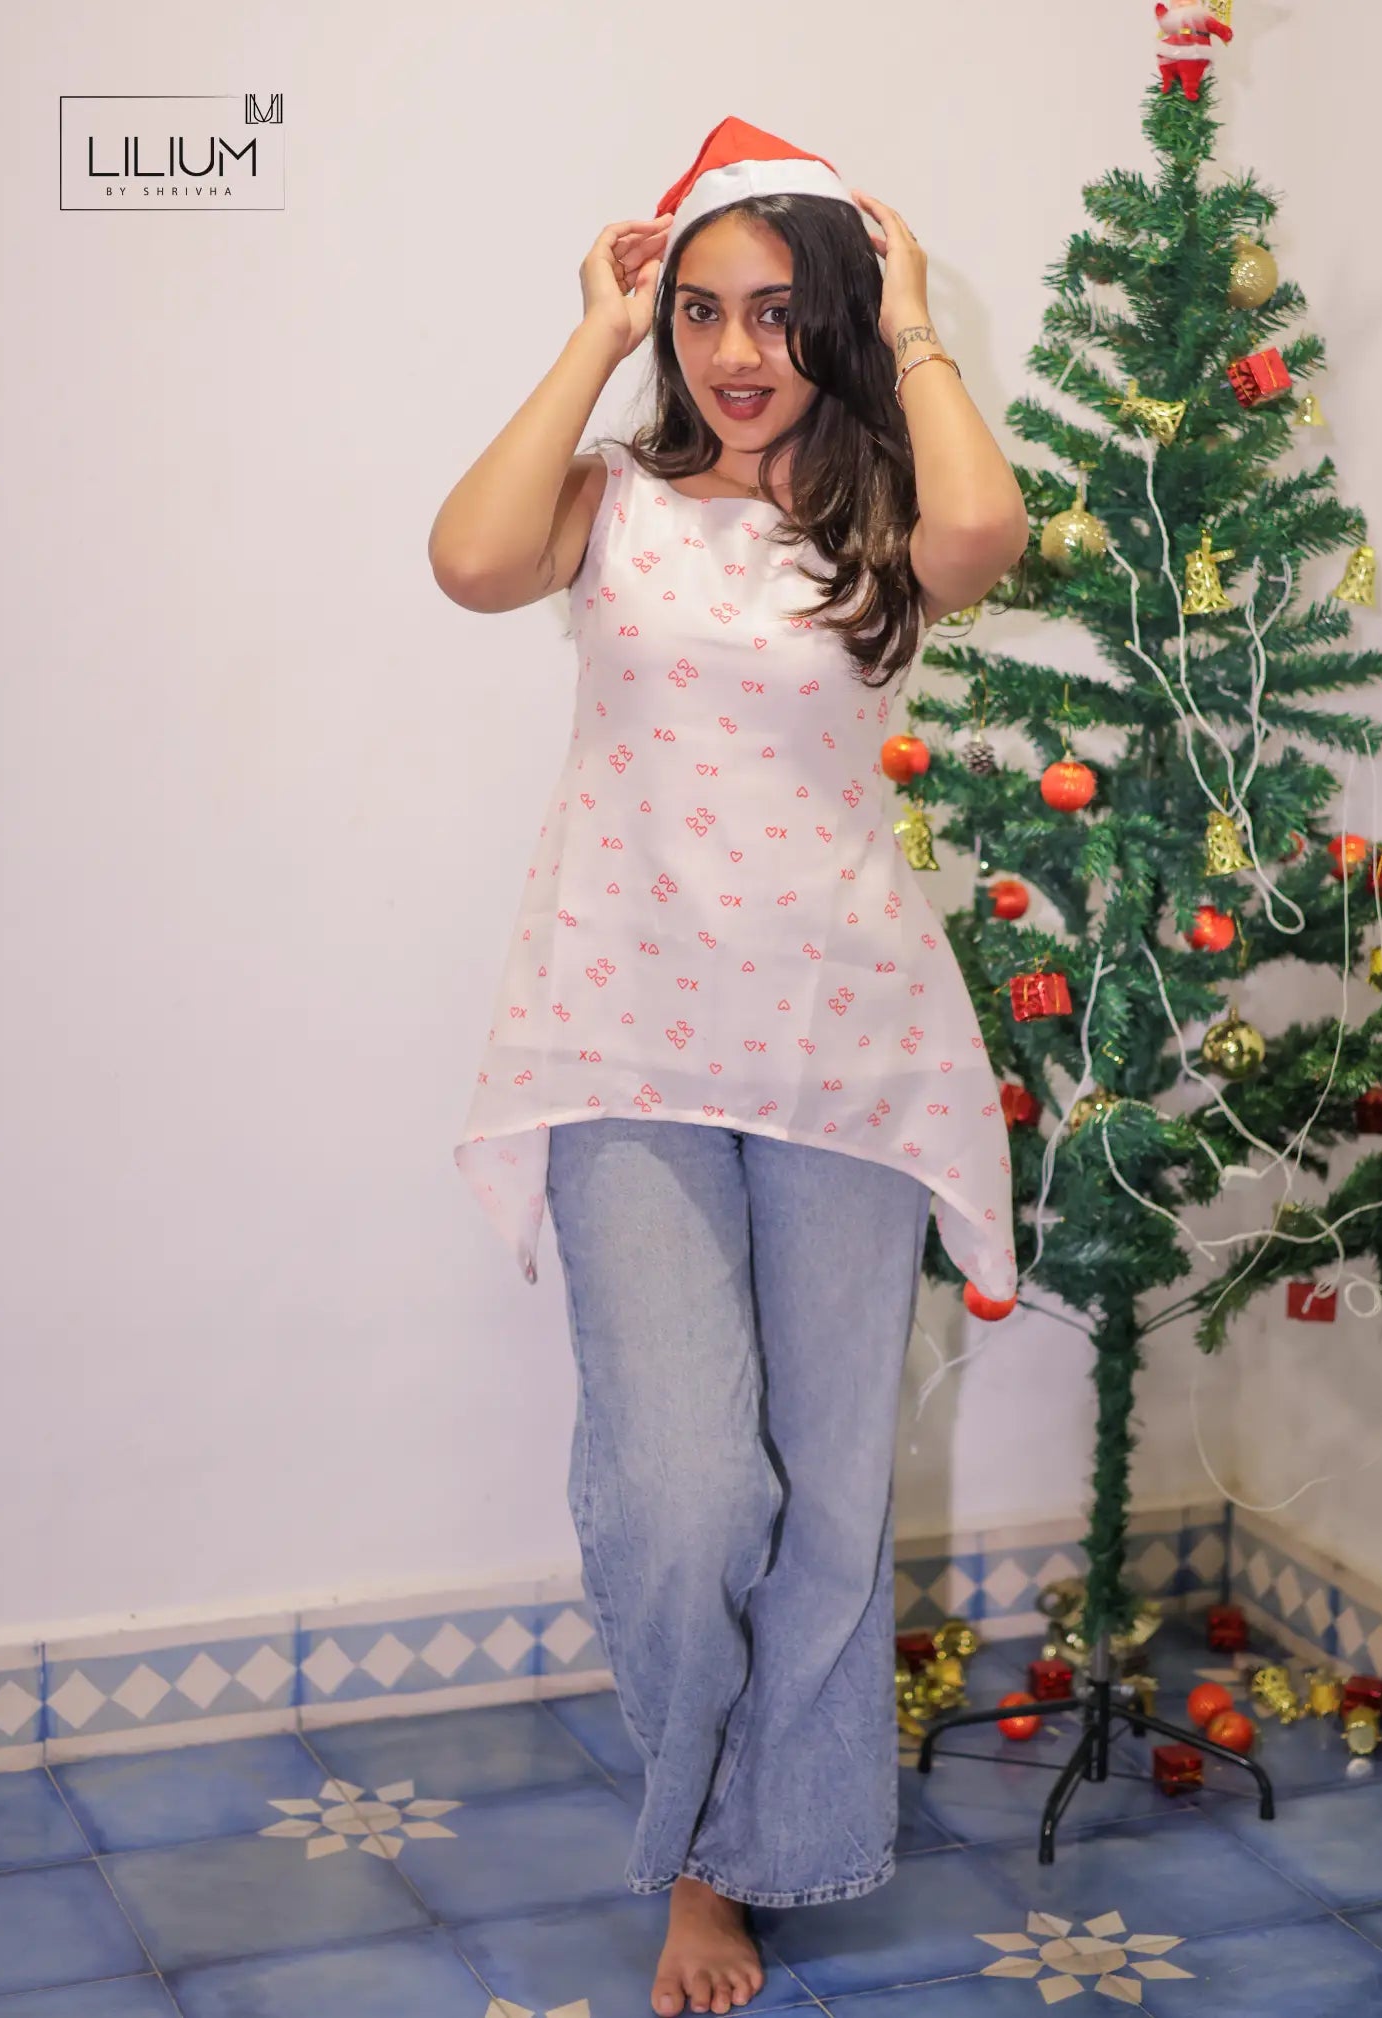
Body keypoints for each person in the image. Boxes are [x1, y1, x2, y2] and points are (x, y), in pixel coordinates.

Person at [428, 116, 1026, 2017]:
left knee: (829, 1490)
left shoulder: (881, 517)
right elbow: (467, 560)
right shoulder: (609, 500)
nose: (736, 349)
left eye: (777, 311)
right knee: (689, 1489)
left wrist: (910, 318)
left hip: (850, 1050)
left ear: (831, 316)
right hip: (624, 1041)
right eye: (701, 311)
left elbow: (989, 535)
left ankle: (759, 1854)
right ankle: (696, 1838)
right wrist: (594, 336)